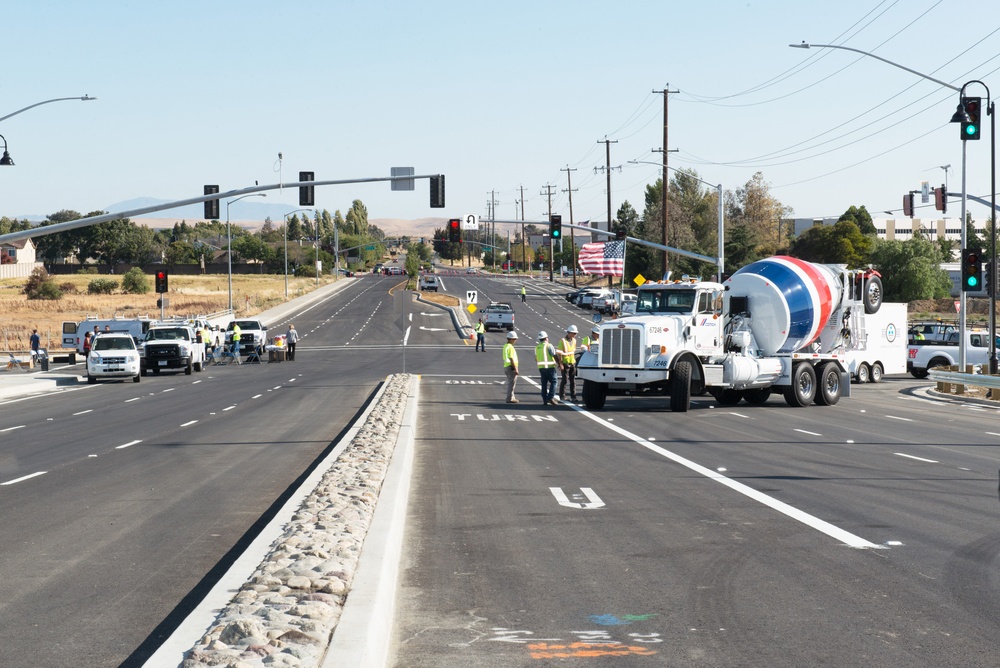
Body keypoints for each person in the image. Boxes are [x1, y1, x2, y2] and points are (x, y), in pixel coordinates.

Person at [535, 331, 560, 406]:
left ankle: (545, 399)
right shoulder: (549, 346)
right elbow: (554, 355)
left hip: (541, 368)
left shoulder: (537, 347)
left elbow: (536, 358)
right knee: (554, 382)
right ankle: (550, 397)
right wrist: (560, 364)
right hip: (550, 368)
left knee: (544, 384)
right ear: (546, 338)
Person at [557, 325, 579, 402]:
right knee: (565, 380)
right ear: (569, 333)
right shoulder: (562, 341)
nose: (575, 335)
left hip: (572, 362)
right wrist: (560, 364)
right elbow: (559, 353)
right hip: (565, 363)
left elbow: (573, 351)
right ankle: (562, 396)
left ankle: (573, 396)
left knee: (573, 380)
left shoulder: (574, 341)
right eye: (574, 333)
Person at [502, 330, 519, 403]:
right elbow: (511, 358)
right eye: (514, 339)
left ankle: (512, 397)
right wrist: (516, 369)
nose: (515, 340)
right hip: (511, 367)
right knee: (511, 384)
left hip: (506, 366)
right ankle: (509, 398)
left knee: (511, 382)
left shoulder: (506, 346)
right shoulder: (510, 347)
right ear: (511, 339)